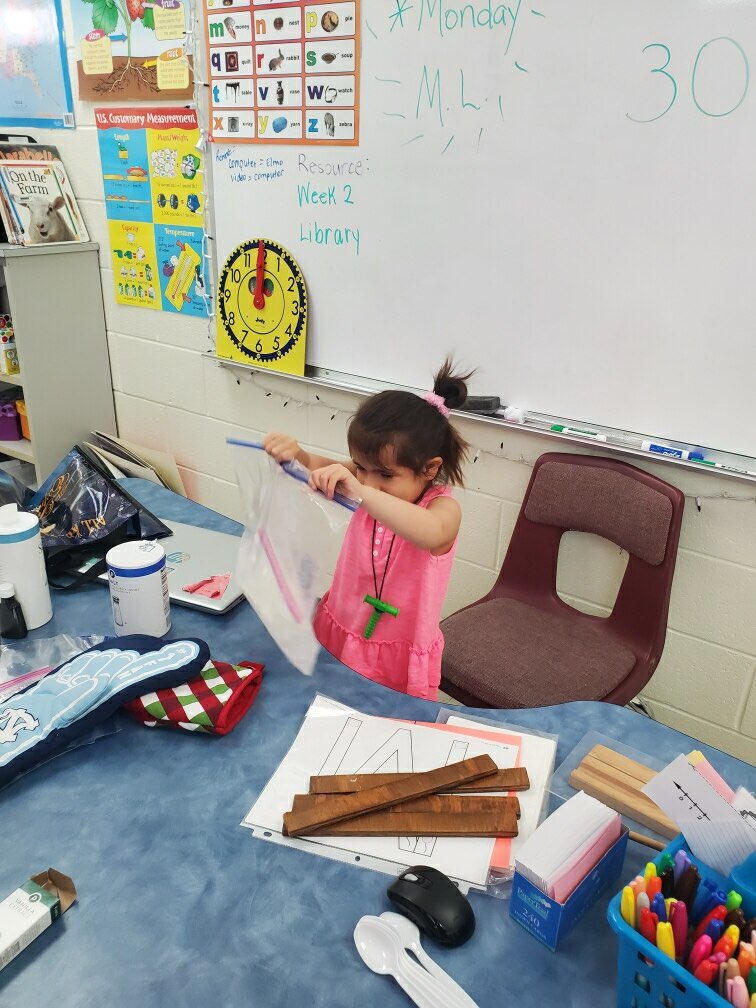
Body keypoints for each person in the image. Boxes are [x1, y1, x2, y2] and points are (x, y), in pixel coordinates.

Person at [264, 360, 471, 699]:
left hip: (397, 651)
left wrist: (361, 490)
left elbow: (432, 532)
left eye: (385, 475)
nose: (367, 480)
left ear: (430, 469)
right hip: (345, 624)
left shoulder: (443, 509)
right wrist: (295, 453)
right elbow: (316, 466)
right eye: (360, 468)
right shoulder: (367, 478)